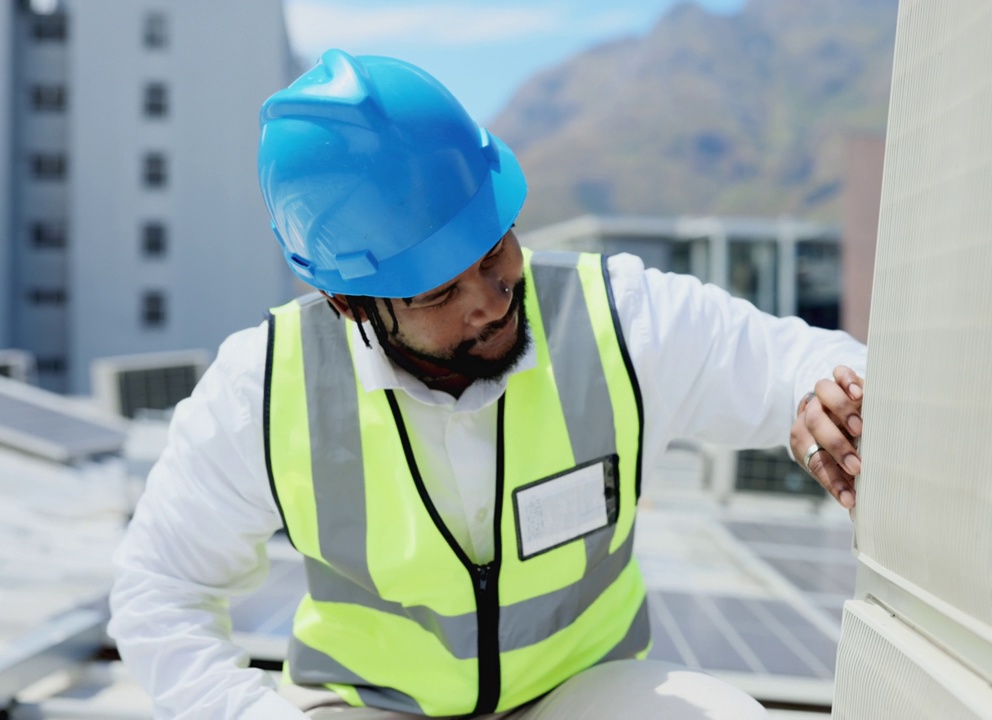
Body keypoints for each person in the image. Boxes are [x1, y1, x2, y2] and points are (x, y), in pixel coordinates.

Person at [108, 49, 866, 720]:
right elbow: (157, 591)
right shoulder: (263, 388)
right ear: (349, 303)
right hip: (370, 706)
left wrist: (820, 395)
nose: (490, 300)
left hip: (581, 694)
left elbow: (800, 360)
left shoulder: (623, 316)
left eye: (493, 247)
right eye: (437, 292)